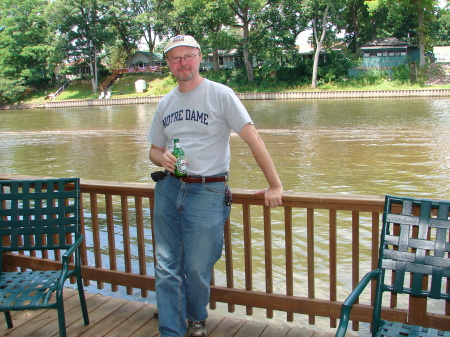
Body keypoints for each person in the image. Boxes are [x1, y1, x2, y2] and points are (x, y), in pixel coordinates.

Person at [147, 35, 283, 337]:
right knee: (166, 265)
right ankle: (171, 331)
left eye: (188, 56)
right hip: (169, 190)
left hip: (208, 190)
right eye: (175, 57)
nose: (182, 62)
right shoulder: (165, 102)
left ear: (199, 58)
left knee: (196, 266)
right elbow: (154, 150)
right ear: (168, 64)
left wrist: (275, 184)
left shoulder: (221, 95)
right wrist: (162, 159)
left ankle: (196, 316)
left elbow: (253, 139)